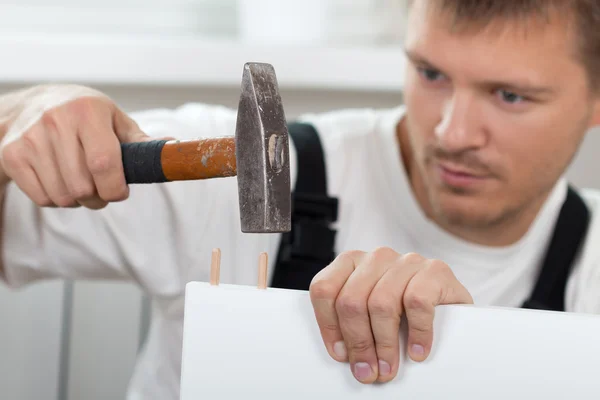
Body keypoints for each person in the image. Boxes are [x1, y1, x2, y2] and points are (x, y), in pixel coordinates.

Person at [2, 0, 600, 398]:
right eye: (431, 74)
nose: (451, 133)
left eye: (511, 96)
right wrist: (15, 119)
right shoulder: (232, 180)